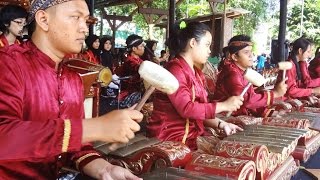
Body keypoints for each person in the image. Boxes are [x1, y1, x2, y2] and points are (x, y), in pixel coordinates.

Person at [0, 0, 143, 179]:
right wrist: (96, 127)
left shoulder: (72, 78)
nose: (85, 29)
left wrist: (105, 169)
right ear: (43, 20)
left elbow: (75, 147)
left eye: (86, 21)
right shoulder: (7, 63)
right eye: (75, 17)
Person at [147, 22, 244, 150]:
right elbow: (186, 109)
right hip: (172, 138)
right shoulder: (175, 69)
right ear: (193, 43)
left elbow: (199, 111)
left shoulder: (196, 73)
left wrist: (222, 124)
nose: (209, 51)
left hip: (191, 136)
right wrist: (224, 105)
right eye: (207, 45)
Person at [213, 35, 287, 117]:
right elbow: (248, 101)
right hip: (225, 120)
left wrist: (269, 113)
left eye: (251, 52)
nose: (251, 55)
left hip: (238, 117)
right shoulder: (232, 74)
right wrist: (275, 93)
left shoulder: (243, 72)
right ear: (234, 57)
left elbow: (251, 100)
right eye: (246, 52)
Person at [118, 34, 145, 107]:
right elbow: (140, 69)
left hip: (139, 91)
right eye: (141, 46)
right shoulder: (129, 61)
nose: (143, 48)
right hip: (129, 94)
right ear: (134, 48)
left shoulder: (139, 60)